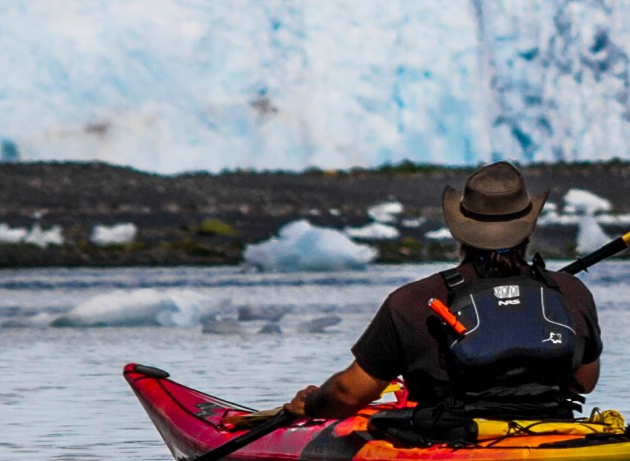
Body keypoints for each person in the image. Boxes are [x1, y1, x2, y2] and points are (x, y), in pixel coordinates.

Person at [228, 162, 602, 432]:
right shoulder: (569, 292)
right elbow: (584, 380)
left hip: (451, 445)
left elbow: (347, 394)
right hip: (550, 435)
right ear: (527, 227)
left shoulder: (414, 301)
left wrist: (310, 404)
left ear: (460, 229)